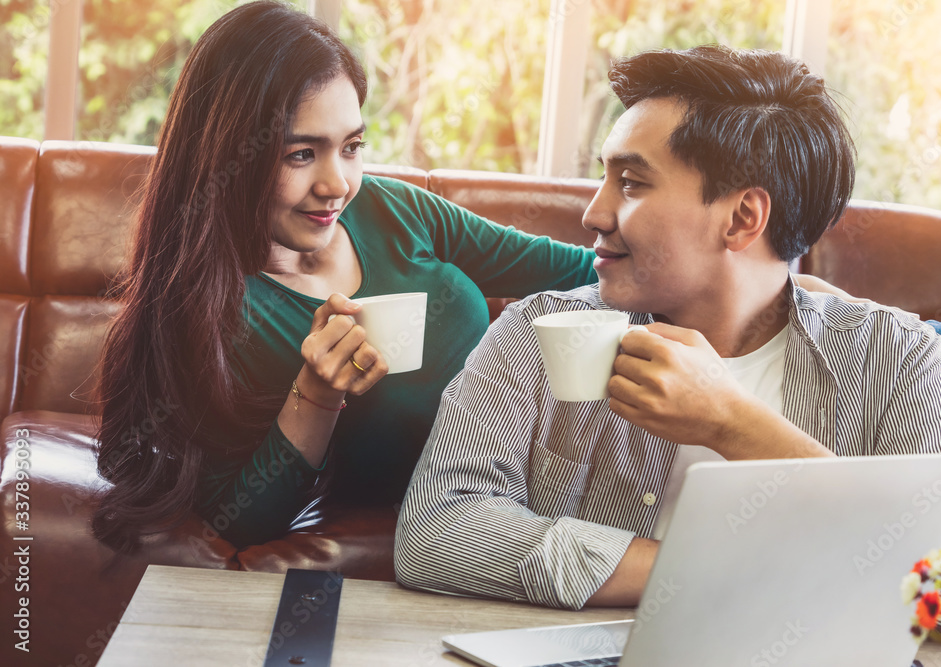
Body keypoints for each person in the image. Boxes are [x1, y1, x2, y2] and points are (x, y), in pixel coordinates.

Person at [394, 45, 941, 610]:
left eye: (630, 183)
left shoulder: (894, 356)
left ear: (742, 218)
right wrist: (709, 575)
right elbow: (434, 532)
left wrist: (734, 425)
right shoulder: (539, 331)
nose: (594, 212)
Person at [91, 1, 600, 552]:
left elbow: (578, 269)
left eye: (352, 147)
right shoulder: (210, 312)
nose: (337, 184)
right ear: (224, 157)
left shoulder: (394, 209)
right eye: (301, 154)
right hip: (488, 521)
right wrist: (317, 393)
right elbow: (240, 524)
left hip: (583, 459)